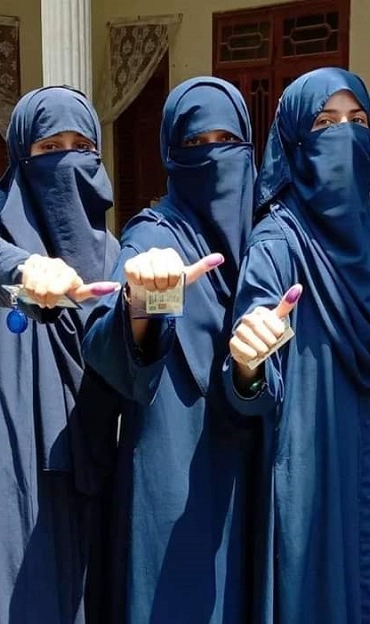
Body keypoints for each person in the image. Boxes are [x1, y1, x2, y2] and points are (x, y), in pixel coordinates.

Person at [225, 68, 370, 624]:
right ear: (293, 142)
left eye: (357, 122)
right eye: (323, 123)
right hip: (310, 463)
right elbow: (250, 365)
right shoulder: (277, 240)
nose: (343, 135)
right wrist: (247, 359)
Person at [83, 77, 258, 623]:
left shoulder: (270, 237)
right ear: (170, 154)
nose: (213, 156)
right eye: (195, 144)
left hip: (255, 451)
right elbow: (105, 343)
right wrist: (143, 303)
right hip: (178, 460)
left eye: (227, 139)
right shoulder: (154, 237)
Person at [0, 86, 122, 623]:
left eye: (81, 145)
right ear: (22, 155)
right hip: (12, 455)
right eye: (48, 148)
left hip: (96, 449)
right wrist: (26, 271)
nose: (67, 159)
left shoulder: (113, 251)